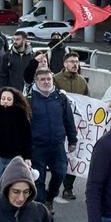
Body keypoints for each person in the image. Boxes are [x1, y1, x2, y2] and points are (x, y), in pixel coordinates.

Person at [28, 67, 78, 209]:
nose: (46, 82)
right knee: (39, 178)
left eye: (49, 79)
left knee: (60, 173)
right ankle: (42, 204)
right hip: (37, 146)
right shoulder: (29, 100)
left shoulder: (60, 98)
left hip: (57, 145)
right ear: (36, 81)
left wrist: (72, 140)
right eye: (42, 79)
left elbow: (69, 120)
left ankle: (50, 197)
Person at [52, 52, 89, 201]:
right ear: (65, 64)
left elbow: (87, 102)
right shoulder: (55, 79)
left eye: (77, 61)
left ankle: (68, 188)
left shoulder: (82, 81)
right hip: (59, 125)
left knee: (74, 157)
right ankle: (53, 187)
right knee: (59, 159)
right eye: (72, 61)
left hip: (76, 126)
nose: (75, 64)